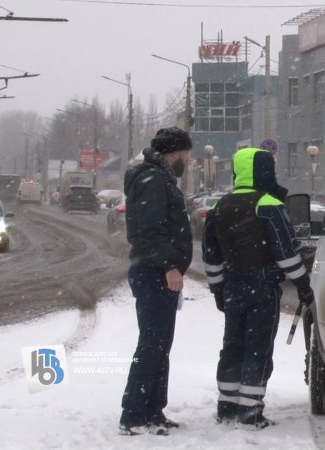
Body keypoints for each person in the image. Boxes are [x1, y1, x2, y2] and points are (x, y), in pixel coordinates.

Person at [202, 140, 315, 429]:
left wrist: (217, 289)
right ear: (262, 171)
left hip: (233, 288)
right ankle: (251, 411)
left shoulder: (218, 207)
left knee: (232, 346)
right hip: (262, 288)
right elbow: (286, 252)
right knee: (258, 347)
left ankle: (227, 405)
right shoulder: (269, 205)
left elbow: (211, 256)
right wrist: (302, 284)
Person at [119, 127, 193, 436]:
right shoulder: (152, 180)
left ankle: (152, 410)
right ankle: (133, 413)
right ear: (174, 153)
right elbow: (150, 231)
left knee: (160, 343)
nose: (186, 161)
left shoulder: (158, 179)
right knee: (151, 344)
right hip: (154, 273)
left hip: (157, 273)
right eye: (185, 155)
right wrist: (169, 267)